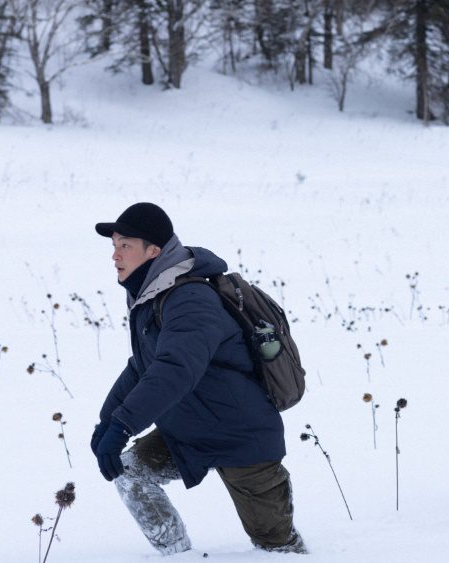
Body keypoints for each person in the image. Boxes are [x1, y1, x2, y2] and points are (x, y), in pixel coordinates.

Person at [90, 202, 306, 554]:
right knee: (131, 473)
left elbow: (174, 370)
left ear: (154, 251)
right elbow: (143, 366)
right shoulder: (153, 295)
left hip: (240, 435)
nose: (115, 255)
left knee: (277, 548)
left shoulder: (190, 299)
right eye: (113, 245)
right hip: (191, 430)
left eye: (125, 245)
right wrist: (108, 421)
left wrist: (123, 425)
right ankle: (177, 556)